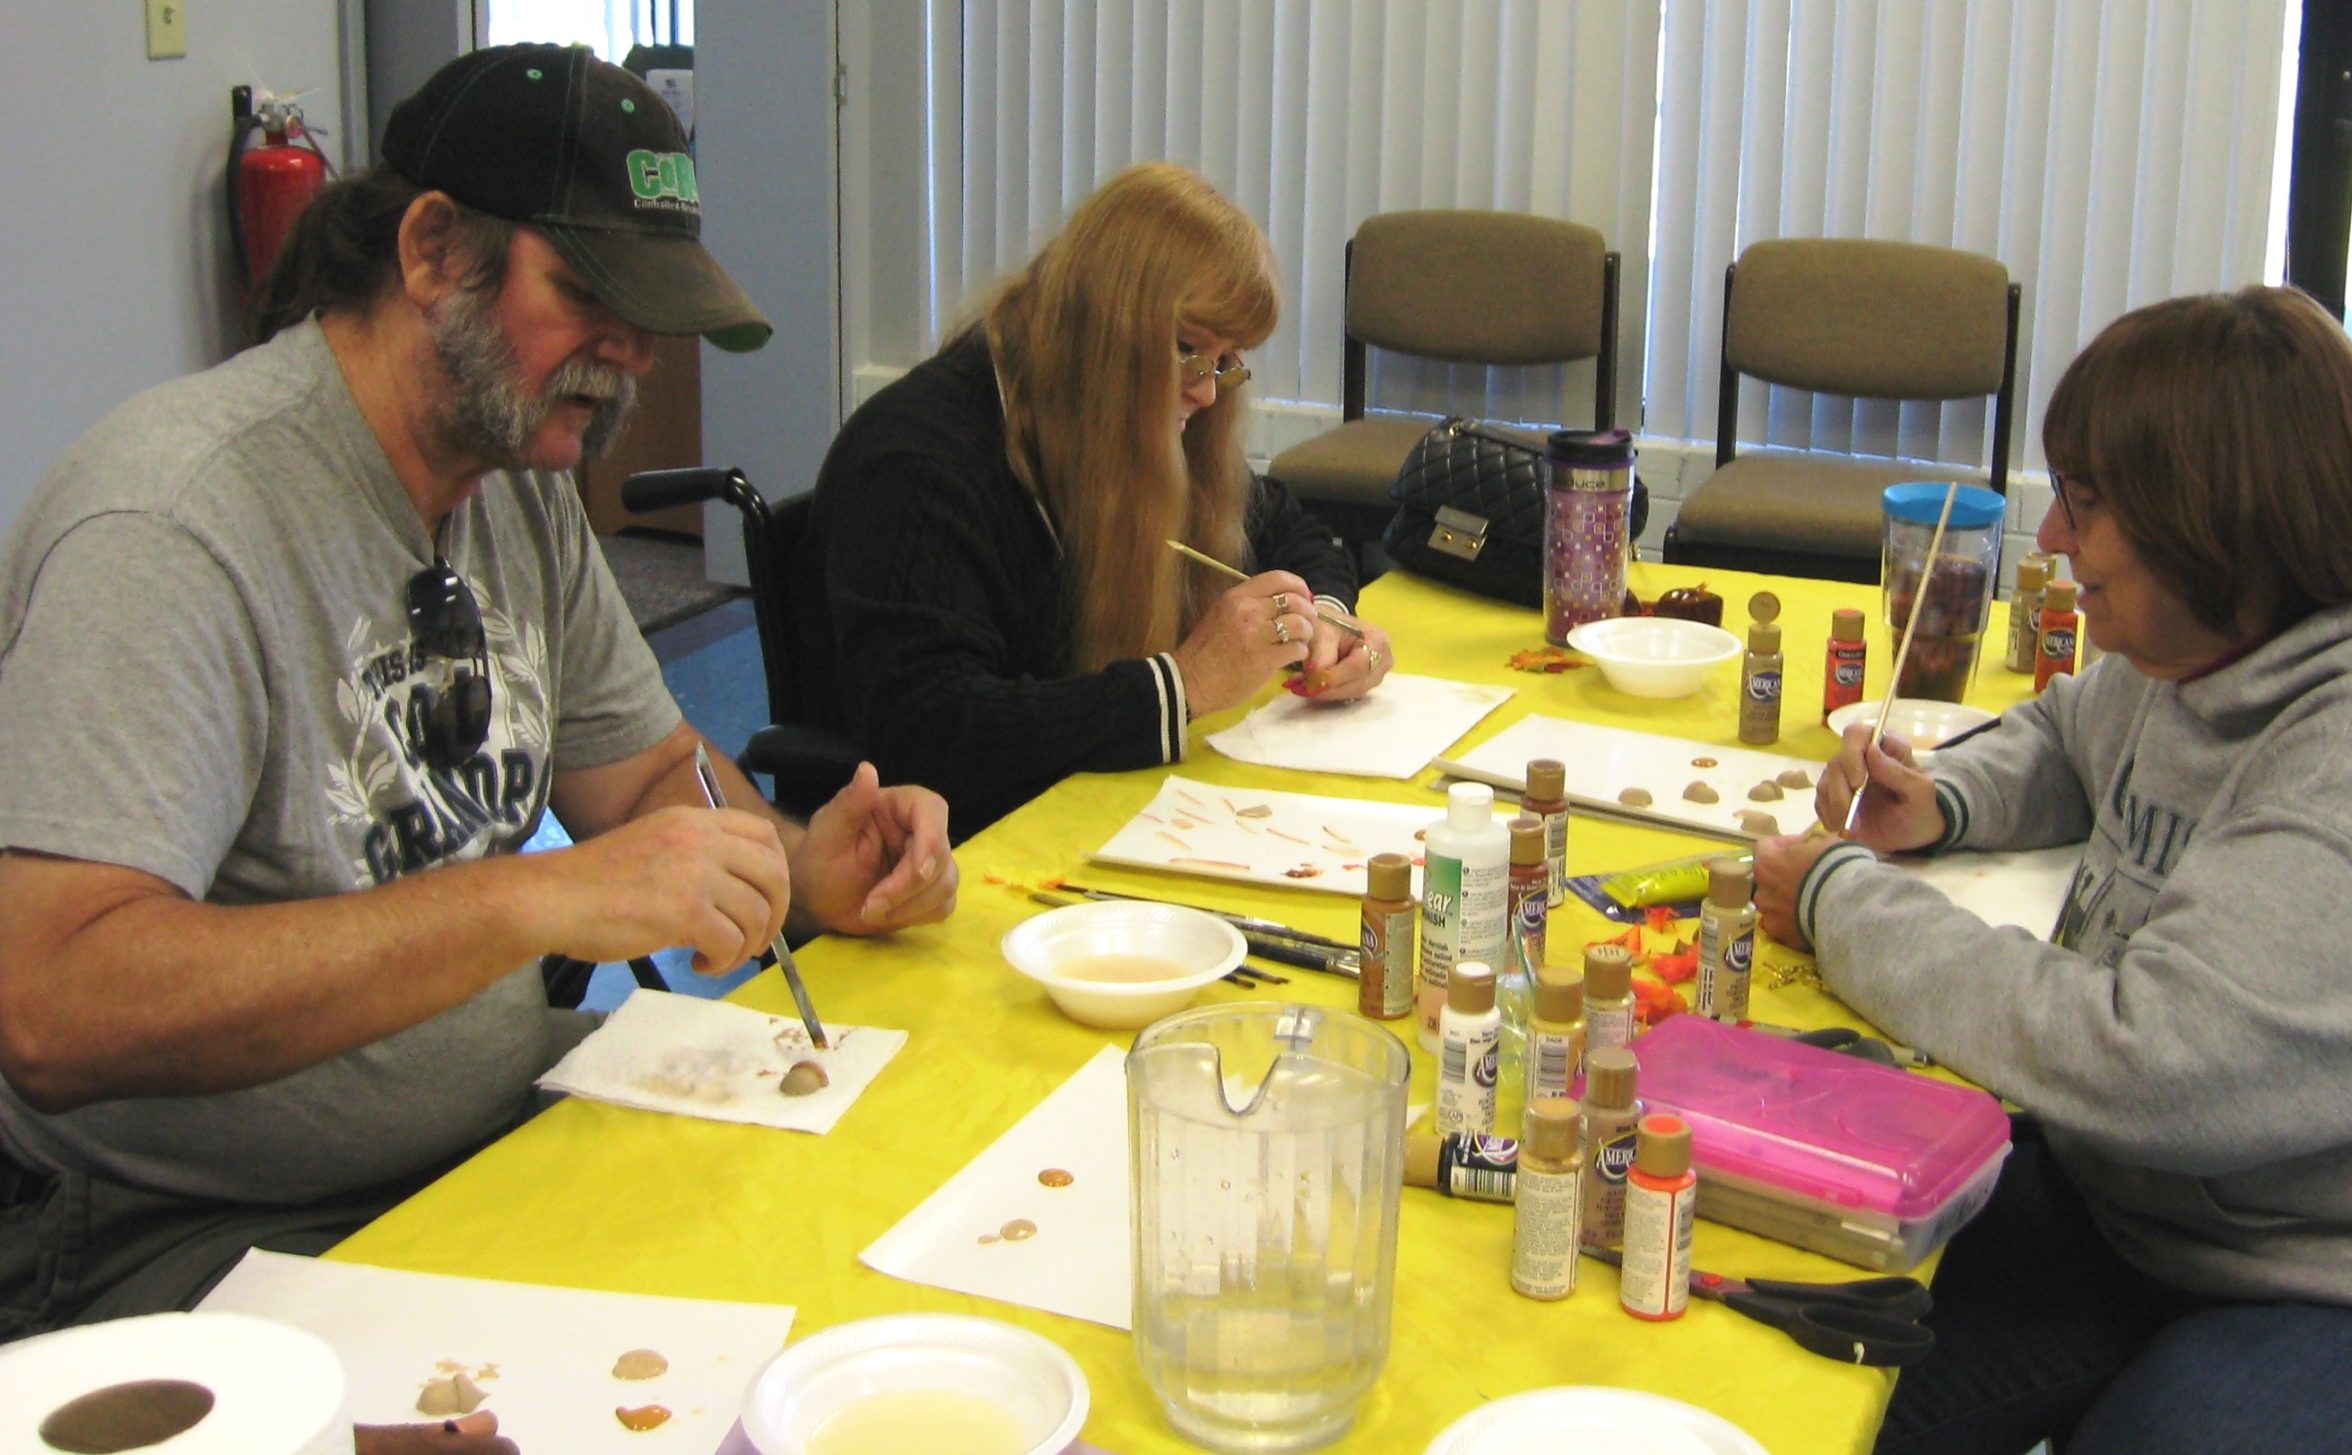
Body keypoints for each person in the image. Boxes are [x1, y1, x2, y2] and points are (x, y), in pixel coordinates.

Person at [0, 43, 959, 1353]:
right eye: (587, 297)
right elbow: (52, 1001)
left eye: (652, 313)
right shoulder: (175, 523)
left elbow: (636, 775)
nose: (626, 353)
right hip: (191, 1231)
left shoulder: (516, 483)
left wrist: (799, 862)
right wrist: (530, 894)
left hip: (483, 1140)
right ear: (434, 251)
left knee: (858, 1273)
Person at [1750, 286, 2352, 1454]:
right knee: (1809, 1350)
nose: (2050, 541)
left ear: (2212, 525)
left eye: (2086, 504)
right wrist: (1946, 801)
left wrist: (1840, 902)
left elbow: (2146, 1062)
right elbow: (2078, 732)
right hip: (2166, 1207)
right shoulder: (2224, 639)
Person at [794, 161, 1396, 842]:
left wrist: (1323, 621)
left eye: (1227, 359)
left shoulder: (1112, 420)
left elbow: (1288, 526)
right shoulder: (917, 460)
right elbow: (932, 732)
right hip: (952, 852)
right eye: (1186, 349)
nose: (1206, 391)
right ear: (1105, 331)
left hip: (1095, 814)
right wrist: (1185, 684)